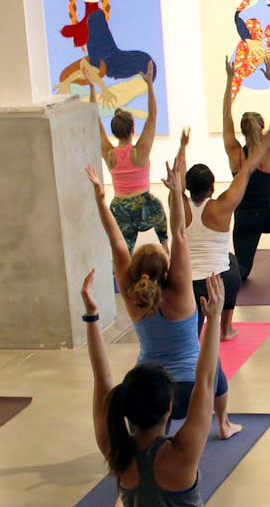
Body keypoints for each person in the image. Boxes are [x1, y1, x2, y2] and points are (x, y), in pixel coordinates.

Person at [86, 135, 240, 448]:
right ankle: (223, 423)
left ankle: (143, 446)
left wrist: (103, 201)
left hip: (145, 393)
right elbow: (180, 234)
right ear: (166, 267)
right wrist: (175, 192)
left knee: (145, 407)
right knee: (216, 369)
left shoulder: (133, 296)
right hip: (192, 391)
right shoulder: (182, 293)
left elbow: (118, 245)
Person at [82, 269, 238, 507]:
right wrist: (214, 317)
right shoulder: (182, 452)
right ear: (168, 408)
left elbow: (102, 381)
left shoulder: (117, 452)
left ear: (125, 409)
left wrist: (92, 317)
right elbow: (205, 380)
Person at [184, 122, 267, 341]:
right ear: (212, 187)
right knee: (232, 268)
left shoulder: (179, 206)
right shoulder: (222, 206)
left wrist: (182, 147)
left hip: (187, 284)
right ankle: (226, 329)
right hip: (220, 284)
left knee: (229, 261)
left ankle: (195, 330)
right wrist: (258, 148)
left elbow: (177, 176)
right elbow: (246, 171)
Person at [222, 57, 270, 279]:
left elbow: (225, 116)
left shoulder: (234, 153)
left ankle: (221, 274)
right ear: (262, 129)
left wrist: (230, 79)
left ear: (243, 131)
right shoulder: (269, 152)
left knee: (242, 272)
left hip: (244, 221)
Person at [87, 62, 166, 254]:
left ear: (114, 131)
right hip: (144, 207)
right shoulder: (140, 153)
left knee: (123, 253)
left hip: (120, 208)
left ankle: (122, 275)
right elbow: (153, 116)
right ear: (133, 129)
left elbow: (94, 120)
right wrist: (149, 85)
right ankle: (166, 250)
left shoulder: (109, 154)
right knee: (159, 213)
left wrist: (91, 87)